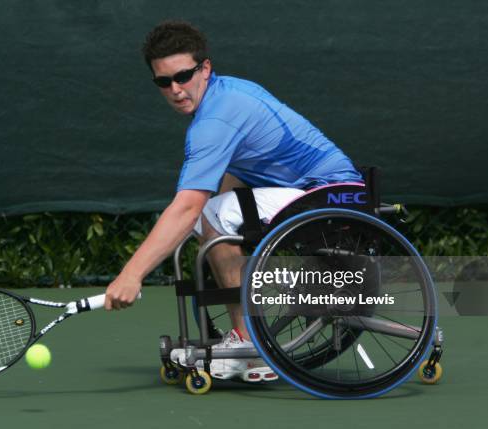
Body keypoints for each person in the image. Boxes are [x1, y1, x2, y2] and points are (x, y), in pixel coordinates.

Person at [103, 20, 362, 381]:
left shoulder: (216, 119)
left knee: (205, 213)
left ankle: (248, 343)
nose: (176, 89)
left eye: (183, 76)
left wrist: (131, 275)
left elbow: (189, 204)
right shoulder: (227, 92)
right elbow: (231, 179)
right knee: (207, 218)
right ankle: (245, 335)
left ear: (205, 68)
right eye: (164, 82)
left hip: (329, 195)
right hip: (311, 192)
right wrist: (213, 233)